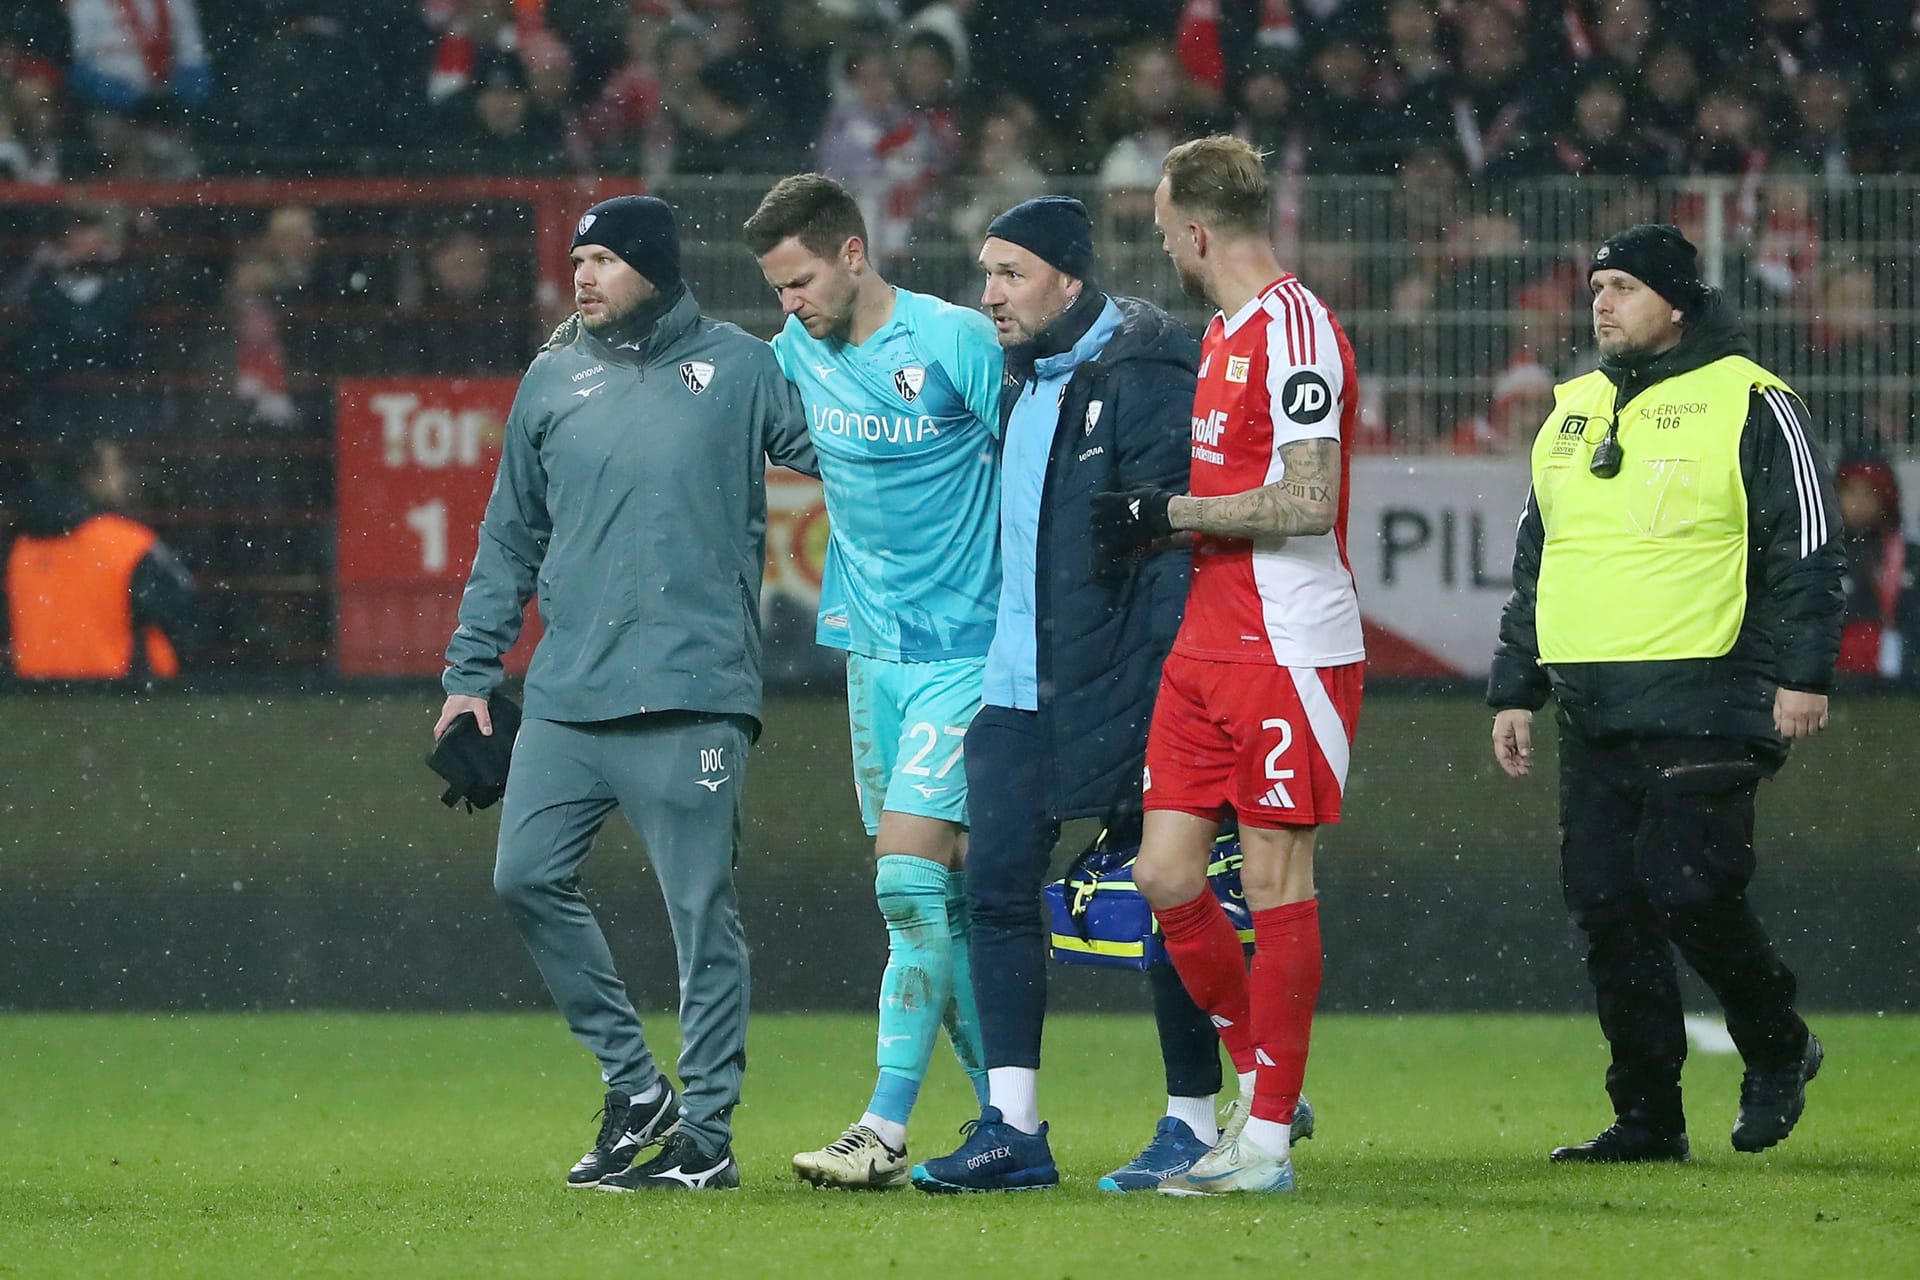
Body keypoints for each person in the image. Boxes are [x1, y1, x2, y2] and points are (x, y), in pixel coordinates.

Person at [910, 195, 1311, 1195]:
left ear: (1068, 278)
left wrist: (1168, 688)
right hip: (1016, 681)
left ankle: (1188, 1115)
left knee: (1165, 888)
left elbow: (1177, 546)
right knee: (994, 886)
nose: (990, 294)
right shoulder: (1022, 372)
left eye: (1010, 273)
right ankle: (1013, 1123)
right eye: (986, 273)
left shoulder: (1147, 369)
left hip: (1127, 674)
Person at [435, 195, 816, 1193]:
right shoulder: (552, 379)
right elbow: (509, 537)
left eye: (604, 258)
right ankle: (635, 1085)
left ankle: (708, 1132)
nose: (584, 275)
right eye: (578, 259)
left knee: (701, 913)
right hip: (566, 691)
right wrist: (470, 674)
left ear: (654, 266)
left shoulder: (742, 367)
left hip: (695, 689)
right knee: (523, 877)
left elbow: (846, 459)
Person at [1488, 223, 1843, 1164]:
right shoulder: (1569, 410)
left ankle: (1776, 1045)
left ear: (1676, 305)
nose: (1601, 301)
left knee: (1687, 887)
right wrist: (1514, 687)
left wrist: (1805, 673)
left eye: (1625, 287)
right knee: (1608, 906)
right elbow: (1539, 560)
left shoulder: (1753, 400)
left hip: (1710, 691)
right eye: (1597, 283)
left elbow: (1807, 542)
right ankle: (1648, 1121)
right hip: (1592, 706)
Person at [1098, 135, 1367, 1197]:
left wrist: (1165, 511)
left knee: (1273, 880)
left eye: (1166, 229)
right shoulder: (1222, 334)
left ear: (1198, 230)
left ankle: (1264, 1145)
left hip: (1286, 642)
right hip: (1205, 639)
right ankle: (1268, 1078)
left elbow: (1307, 500)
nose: (1164, 245)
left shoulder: (1297, 331)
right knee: (1164, 875)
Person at [741, 173, 1003, 1189]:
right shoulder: (790, 357)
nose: (790, 302)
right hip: (873, 659)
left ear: (854, 252)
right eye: (775, 288)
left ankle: (883, 1126)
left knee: (904, 881)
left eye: (800, 279)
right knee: (943, 898)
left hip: (968, 652)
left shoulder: (953, 342)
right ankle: (1005, 1119)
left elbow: (1035, 469)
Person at [6, 435, 193, 684]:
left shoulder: (20, 549)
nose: (123, 478)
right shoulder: (128, 544)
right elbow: (183, 613)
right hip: (122, 695)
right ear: (94, 478)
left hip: (33, 695)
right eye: (116, 469)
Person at [1833, 455, 1920, 683]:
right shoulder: (1825, 552)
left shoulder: (1906, 553)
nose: (1859, 503)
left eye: (1869, 493)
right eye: (1851, 492)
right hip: (1837, 677)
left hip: (1899, 679)